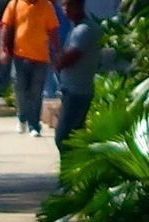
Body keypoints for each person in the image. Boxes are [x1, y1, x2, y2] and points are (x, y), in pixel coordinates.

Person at [0, 0, 56, 136]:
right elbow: (5, 27)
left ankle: (34, 125)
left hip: (41, 57)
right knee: (20, 89)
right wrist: (3, 51)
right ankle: (22, 117)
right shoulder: (15, 4)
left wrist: (57, 51)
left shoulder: (46, 6)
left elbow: (53, 29)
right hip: (19, 55)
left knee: (36, 92)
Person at [50, 0, 96, 151]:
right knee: (73, 138)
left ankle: (69, 172)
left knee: (63, 138)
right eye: (63, 5)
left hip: (77, 92)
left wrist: (58, 60)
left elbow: (66, 59)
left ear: (79, 5)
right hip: (72, 90)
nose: (65, 9)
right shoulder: (75, 28)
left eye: (69, 5)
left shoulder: (84, 30)